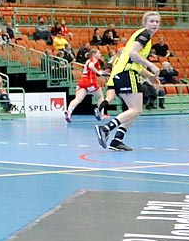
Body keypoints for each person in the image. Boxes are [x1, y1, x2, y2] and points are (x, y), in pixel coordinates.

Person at [96, 11, 160, 151]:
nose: (155, 24)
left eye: (157, 22)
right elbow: (133, 54)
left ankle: (117, 140)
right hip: (127, 73)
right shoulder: (145, 35)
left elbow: (133, 60)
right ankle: (106, 129)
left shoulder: (141, 36)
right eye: (152, 21)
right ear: (144, 23)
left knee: (134, 110)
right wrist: (152, 65)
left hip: (123, 73)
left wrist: (149, 76)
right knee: (136, 109)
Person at [67, 47, 104, 123]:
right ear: (94, 54)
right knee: (100, 97)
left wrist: (101, 72)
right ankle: (101, 114)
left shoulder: (88, 60)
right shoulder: (94, 60)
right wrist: (98, 72)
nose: (100, 54)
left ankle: (69, 112)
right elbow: (91, 66)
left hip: (82, 81)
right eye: (98, 53)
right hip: (90, 81)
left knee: (77, 99)